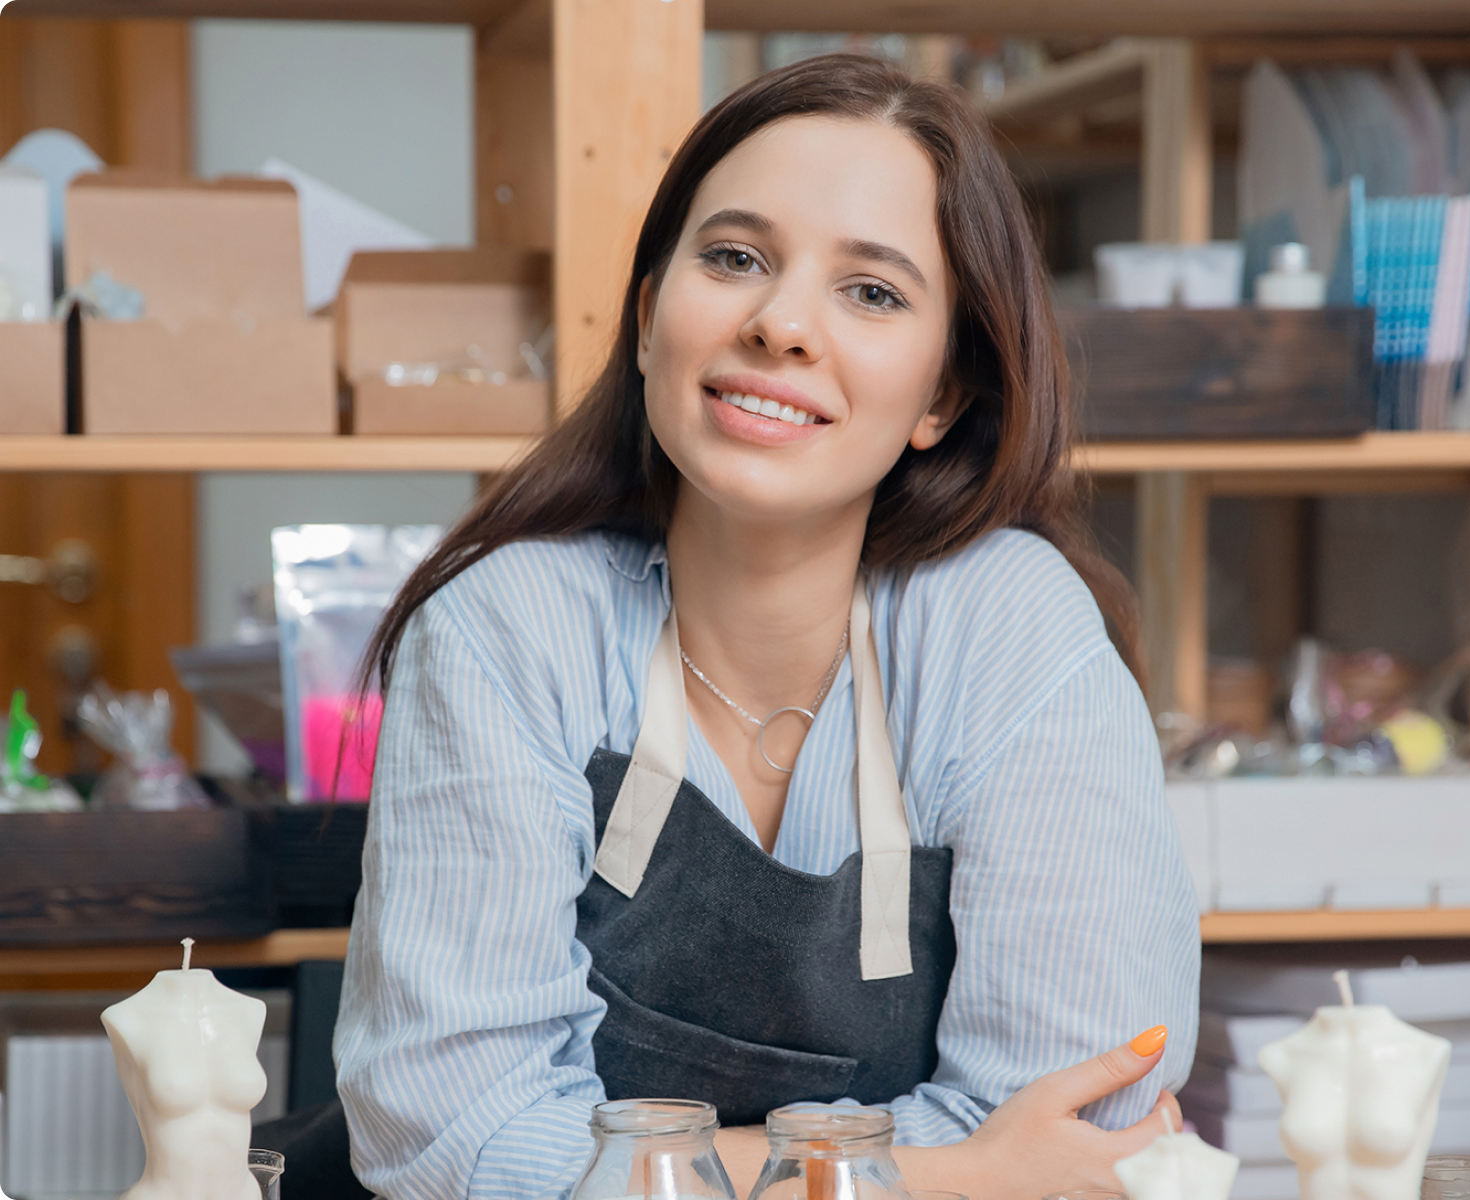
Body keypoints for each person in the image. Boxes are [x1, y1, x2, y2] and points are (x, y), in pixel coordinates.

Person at [332, 52, 1200, 1200]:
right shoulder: (508, 628)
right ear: (650, 320)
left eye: (874, 291)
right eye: (735, 258)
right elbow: (453, 1143)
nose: (783, 323)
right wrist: (946, 1177)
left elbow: (1084, 1131)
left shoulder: (1013, 632)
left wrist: (626, 1166)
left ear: (944, 392)